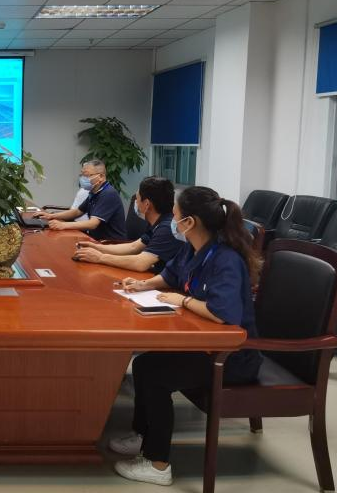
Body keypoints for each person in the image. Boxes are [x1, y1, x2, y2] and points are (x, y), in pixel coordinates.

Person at [112, 186, 262, 486]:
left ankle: (158, 464)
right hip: (205, 345)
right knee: (143, 364)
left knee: (156, 375)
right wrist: (144, 285)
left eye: (176, 216)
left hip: (231, 357)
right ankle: (142, 435)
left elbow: (222, 314)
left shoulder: (225, 259)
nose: (173, 221)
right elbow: (171, 275)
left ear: (189, 222)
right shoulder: (194, 247)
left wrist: (183, 300)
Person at [73, 176, 183, 273]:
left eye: (137, 198)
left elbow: (141, 263)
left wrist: (100, 257)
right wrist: (97, 247)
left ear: (147, 204)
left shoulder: (167, 228)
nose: (135, 202)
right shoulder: (159, 222)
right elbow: (133, 247)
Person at [35, 160, 126, 240]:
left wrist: (63, 225)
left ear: (101, 176)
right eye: (82, 175)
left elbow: (92, 224)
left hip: (110, 243)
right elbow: (77, 212)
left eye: (87, 175)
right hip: (95, 238)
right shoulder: (94, 192)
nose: (83, 178)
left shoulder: (108, 194)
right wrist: (50, 216)